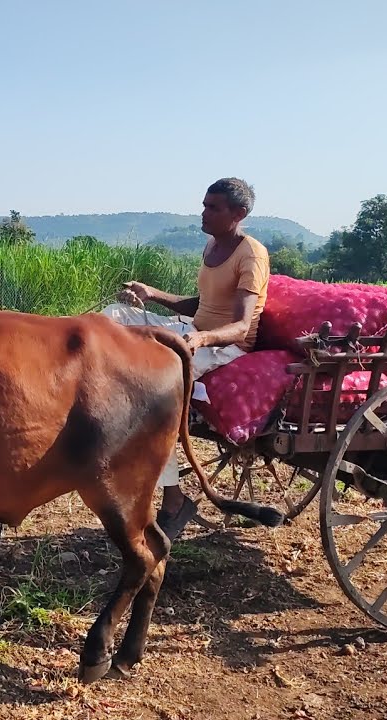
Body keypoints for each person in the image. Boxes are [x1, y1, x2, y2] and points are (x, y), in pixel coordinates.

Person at [107, 177, 271, 541]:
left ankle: (174, 500)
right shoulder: (213, 246)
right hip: (192, 328)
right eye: (204, 205)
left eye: (214, 207)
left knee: (152, 398)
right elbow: (200, 306)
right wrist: (151, 294)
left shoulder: (251, 255)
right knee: (111, 318)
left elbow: (242, 326)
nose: (204, 213)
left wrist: (203, 337)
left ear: (239, 213)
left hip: (224, 346)